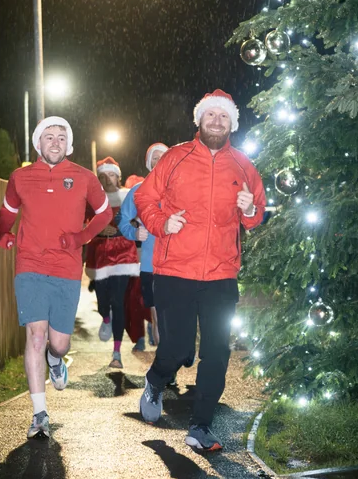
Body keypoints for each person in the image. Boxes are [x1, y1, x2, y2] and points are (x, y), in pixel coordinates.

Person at [135, 89, 266, 452]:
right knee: (176, 347)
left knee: (216, 351)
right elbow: (145, 197)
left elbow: (256, 217)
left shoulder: (242, 165)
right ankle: (157, 380)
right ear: (200, 120)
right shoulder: (176, 157)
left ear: (232, 124)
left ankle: (200, 426)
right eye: (211, 115)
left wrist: (250, 207)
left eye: (224, 117)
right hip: (175, 269)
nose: (217, 121)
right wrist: (162, 222)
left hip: (221, 275)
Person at [0, 116, 112, 439]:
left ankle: (56, 359)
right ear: (38, 143)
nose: (55, 142)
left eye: (61, 137)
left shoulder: (84, 177)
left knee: (58, 343)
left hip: (66, 268)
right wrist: (3, 232)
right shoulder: (20, 177)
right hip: (30, 265)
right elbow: (7, 209)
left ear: (69, 144)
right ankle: (39, 415)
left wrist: (80, 238)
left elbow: (105, 213)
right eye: (49, 136)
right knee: (35, 335)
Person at [86, 157, 140, 369]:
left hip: (123, 253)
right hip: (100, 254)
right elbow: (82, 223)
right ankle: (105, 318)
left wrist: (130, 225)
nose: (107, 179)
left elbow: (138, 217)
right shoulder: (92, 199)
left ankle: (116, 354)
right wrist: (97, 228)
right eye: (102, 176)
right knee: (103, 301)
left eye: (111, 175)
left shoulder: (127, 196)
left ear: (118, 176)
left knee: (119, 301)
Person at [118, 143, 168, 348]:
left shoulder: (182, 189)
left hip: (182, 265)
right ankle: (165, 372)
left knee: (175, 319)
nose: (158, 162)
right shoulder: (139, 191)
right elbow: (122, 220)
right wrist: (134, 232)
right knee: (159, 317)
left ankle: (176, 357)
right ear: (149, 164)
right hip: (151, 265)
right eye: (154, 158)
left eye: (162, 157)